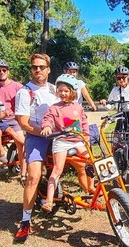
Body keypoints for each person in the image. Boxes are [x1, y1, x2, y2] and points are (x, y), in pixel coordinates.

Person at [14, 53, 59, 241]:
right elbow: (23, 123)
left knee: (81, 162)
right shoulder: (25, 92)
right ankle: (25, 221)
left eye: (41, 67)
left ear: (49, 69)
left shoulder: (55, 89)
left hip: (57, 135)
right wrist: (43, 132)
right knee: (33, 176)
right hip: (36, 136)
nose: (37, 70)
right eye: (34, 67)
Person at [40, 74, 93, 212]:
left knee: (89, 164)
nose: (63, 93)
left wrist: (86, 138)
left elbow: (84, 123)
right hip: (61, 142)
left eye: (66, 91)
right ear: (57, 91)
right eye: (60, 90)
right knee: (57, 170)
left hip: (78, 141)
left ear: (72, 92)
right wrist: (46, 126)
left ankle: (91, 189)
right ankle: (49, 200)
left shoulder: (78, 107)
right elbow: (48, 119)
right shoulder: (54, 108)